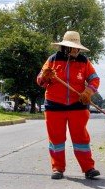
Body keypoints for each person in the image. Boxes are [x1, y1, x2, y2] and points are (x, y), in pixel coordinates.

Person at [36, 31, 100, 180]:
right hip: (54, 106)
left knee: (81, 139)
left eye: (77, 48)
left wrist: (88, 92)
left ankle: (88, 168)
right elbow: (40, 81)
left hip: (77, 105)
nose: (76, 51)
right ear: (65, 48)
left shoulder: (84, 62)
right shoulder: (52, 60)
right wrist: (45, 76)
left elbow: (95, 79)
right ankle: (57, 168)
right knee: (56, 139)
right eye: (73, 48)